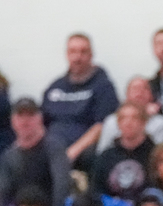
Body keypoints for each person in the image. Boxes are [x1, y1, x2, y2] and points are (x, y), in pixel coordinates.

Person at [0, 99, 72, 206]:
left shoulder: (54, 148)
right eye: (20, 115)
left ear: (40, 119)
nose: (25, 120)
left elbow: (61, 184)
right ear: (12, 121)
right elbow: (2, 188)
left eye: (30, 115)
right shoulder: (10, 154)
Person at [41, 34, 118, 170]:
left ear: (91, 55)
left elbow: (101, 126)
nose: (77, 57)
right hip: (51, 148)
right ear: (67, 54)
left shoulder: (103, 86)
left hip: (84, 151)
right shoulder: (55, 86)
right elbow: (41, 122)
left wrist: (73, 152)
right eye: (73, 52)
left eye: (83, 52)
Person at [91, 102, 156, 204]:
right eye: (123, 118)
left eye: (134, 118)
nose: (128, 123)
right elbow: (97, 192)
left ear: (144, 122)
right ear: (118, 123)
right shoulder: (106, 156)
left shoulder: (155, 154)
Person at [97, 76, 163, 153]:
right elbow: (102, 154)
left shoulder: (161, 123)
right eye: (135, 89)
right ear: (126, 95)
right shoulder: (112, 122)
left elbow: (162, 155)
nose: (140, 93)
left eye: (145, 89)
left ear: (151, 95)